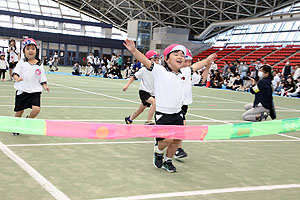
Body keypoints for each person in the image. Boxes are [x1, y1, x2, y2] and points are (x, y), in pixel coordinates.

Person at [123, 39, 216, 173]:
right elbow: (145, 61)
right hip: (163, 114)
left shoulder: (185, 72)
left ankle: (168, 161)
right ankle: (158, 150)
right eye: (176, 54)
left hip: (177, 113)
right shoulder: (160, 71)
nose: (180, 57)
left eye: (182, 55)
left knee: (176, 140)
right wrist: (133, 50)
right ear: (166, 59)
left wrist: (207, 60)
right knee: (167, 140)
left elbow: (196, 66)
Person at [12, 38, 49, 136]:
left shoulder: (39, 63)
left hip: (35, 91)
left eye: (33, 48)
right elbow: (15, 73)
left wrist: (44, 85)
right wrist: (16, 78)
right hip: (22, 91)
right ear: (24, 51)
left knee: (36, 109)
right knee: (19, 112)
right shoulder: (22, 62)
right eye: (28, 49)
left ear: (36, 51)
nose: (30, 50)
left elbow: (42, 76)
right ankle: (15, 127)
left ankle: (27, 121)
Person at [123, 50, 158, 125]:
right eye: (154, 60)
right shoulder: (143, 70)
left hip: (153, 92)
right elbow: (134, 77)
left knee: (140, 109)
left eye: (157, 60)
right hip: (144, 92)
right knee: (155, 102)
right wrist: (127, 85)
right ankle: (149, 120)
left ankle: (129, 119)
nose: (156, 61)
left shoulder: (158, 70)